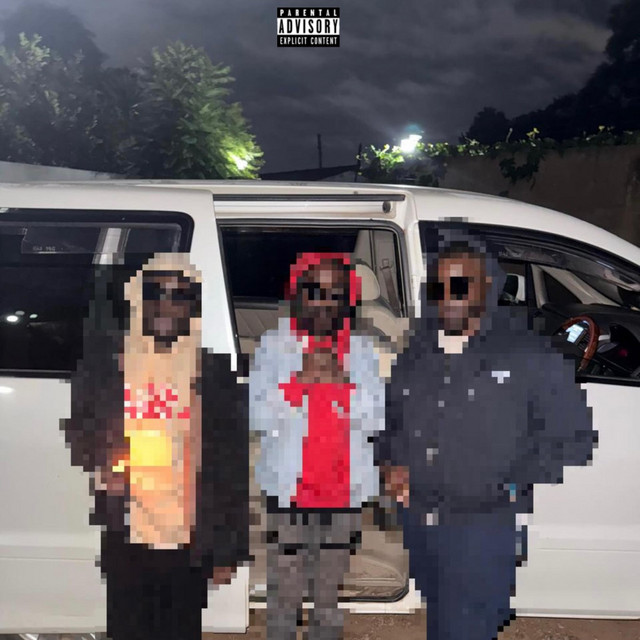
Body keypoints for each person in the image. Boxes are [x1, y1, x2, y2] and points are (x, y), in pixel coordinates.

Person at [376, 230, 596, 640]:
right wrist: (390, 464)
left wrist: (507, 482)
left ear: (487, 288)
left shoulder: (527, 356)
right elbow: (391, 418)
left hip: (481, 521)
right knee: (442, 608)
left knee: (468, 619)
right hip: (421, 515)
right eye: (440, 285)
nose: (449, 296)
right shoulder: (418, 352)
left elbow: (574, 436)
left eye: (461, 284)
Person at [62, 253, 249, 640]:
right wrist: (103, 457)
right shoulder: (110, 367)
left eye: (180, 295)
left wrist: (228, 549)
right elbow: (78, 428)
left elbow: (232, 467)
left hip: (188, 543)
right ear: (138, 299)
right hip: (128, 537)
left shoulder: (213, 374)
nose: (166, 304)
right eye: (156, 292)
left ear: (192, 307)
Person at [249, 252, 385, 640]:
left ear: (347, 300)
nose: (324, 301)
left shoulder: (361, 350)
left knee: (327, 597)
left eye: (335, 293)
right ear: (298, 293)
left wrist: (342, 385)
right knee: (284, 594)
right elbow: (256, 417)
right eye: (315, 290)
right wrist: (298, 384)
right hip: (289, 492)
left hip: (342, 494)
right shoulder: (275, 345)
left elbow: (377, 418)